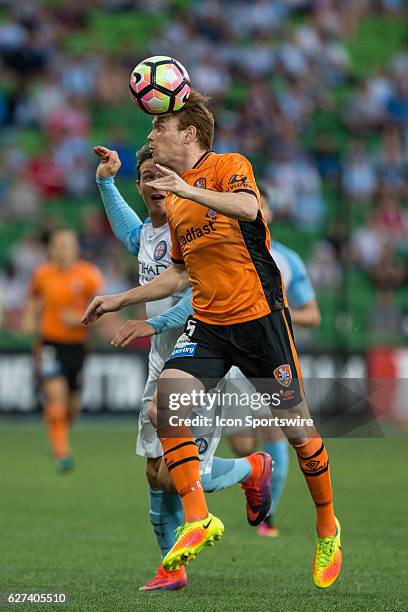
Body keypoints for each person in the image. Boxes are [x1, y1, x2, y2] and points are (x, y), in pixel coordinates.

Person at [83, 90, 342, 589]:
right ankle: (199, 517)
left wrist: (189, 189)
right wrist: (120, 298)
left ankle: (327, 524)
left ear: (189, 135)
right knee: (166, 406)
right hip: (210, 324)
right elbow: (178, 275)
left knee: (298, 430)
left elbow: (248, 208)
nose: (151, 135)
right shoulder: (175, 205)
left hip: (261, 320)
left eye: (160, 129)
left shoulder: (229, 165)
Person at [94, 143, 272, 591]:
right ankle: (171, 569)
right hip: (163, 364)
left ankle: (254, 468)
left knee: (181, 477)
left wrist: (151, 325)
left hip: (204, 358)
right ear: (140, 187)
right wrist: (105, 181)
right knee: (154, 472)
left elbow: (197, 297)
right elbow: (128, 233)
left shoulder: (193, 228)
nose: (155, 184)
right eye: (147, 178)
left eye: (161, 175)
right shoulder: (149, 234)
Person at [226, 188, 321, 537]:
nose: (256, 209)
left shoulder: (287, 260)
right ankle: (255, 473)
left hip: (273, 358)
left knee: (277, 431)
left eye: (260, 204)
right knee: (241, 445)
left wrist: (276, 316)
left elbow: (313, 315)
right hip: (234, 361)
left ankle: (268, 517)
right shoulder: (226, 254)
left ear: (267, 212)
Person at [23, 229, 103, 470]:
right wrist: (29, 318)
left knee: (71, 408)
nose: (62, 249)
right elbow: (33, 299)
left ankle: (60, 435)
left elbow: (105, 311)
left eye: (66, 245)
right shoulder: (42, 274)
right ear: (51, 249)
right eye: (57, 245)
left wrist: (81, 318)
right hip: (49, 343)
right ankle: (61, 452)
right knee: (54, 394)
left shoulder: (89, 275)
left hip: (77, 347)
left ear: (76, 248)